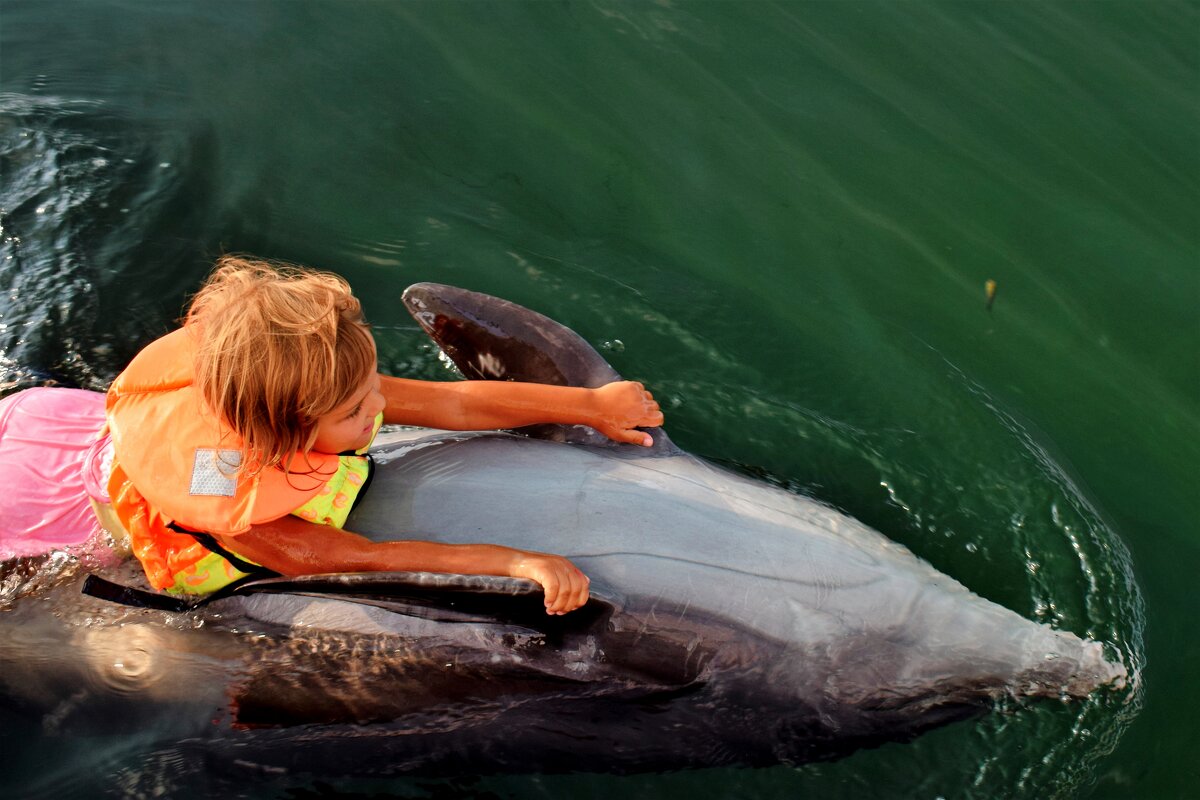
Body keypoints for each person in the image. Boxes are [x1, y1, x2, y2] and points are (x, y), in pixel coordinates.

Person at [90, 256, 663, 614]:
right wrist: (515, 563)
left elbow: (452, 403)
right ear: (281, 439)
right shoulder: (245, 514)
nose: (381, 407)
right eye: (354, 411)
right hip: (106, 515)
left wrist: (589, 405)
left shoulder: (325, 390)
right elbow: (366, 557)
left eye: (371, 388)